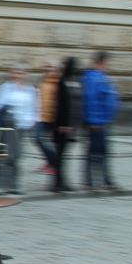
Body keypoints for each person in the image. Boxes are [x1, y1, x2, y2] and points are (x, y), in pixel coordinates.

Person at [0, 66, 39, 195]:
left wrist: (30, 122)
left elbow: (32, 108)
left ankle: (13, 184)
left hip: (21, 126)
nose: (17, 76)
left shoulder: (30, 90)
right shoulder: (4, 88)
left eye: (20, 73)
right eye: (15, 73)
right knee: (2, 155)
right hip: (6, 126)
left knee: (16, 155)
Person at [82, 51, 121, 190]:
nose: (109, 64)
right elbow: (91, 100)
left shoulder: (101, 76)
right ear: (101, 62)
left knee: (101, 151)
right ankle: (94, 180)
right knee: (96, 151)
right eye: (108, 62)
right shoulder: (93, 77)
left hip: (103, 120)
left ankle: (100, 179)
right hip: (97, 121)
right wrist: (94, 120)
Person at [52, 57, 84, 193]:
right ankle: (58, 182)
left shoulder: (74, 82)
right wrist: (62, 124)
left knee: (64, 155)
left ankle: (62, 180)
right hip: (63, 126)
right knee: (60, 155)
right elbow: (61, 105)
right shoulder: (62, 82)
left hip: (72, 125)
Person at [35, 60, 61, 175]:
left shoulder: (57, 82)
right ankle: (51, 161)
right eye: (45, 67)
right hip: (43, 116)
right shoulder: (43, 81)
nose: (47, 69)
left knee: (40, 138)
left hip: (53, 118)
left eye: (49, 67)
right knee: (36, 138)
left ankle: (54, 163)